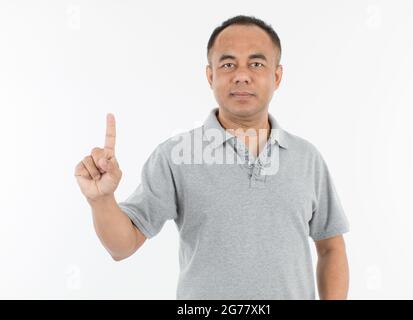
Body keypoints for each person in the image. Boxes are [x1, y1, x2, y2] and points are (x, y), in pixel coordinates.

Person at [74, 15, 350, 300]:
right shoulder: (176, 157)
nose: (242, 75)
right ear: (210, 76)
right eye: (228, 64)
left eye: (256, 64)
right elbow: (122, 246)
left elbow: (330, 246)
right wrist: (101, 200)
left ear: (276, 76)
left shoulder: (307, 159)